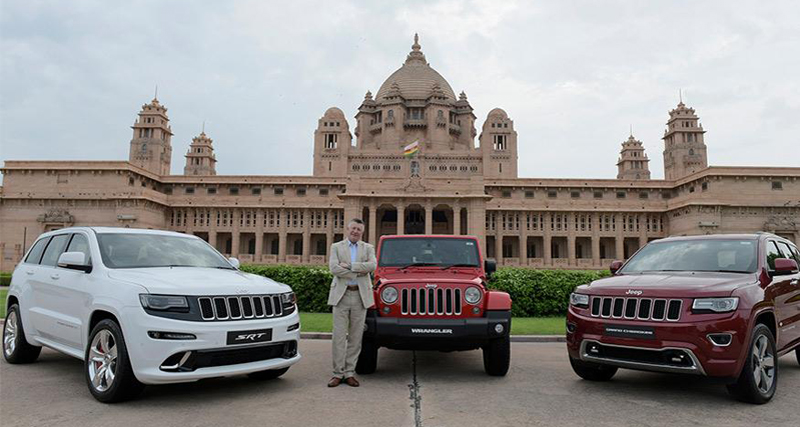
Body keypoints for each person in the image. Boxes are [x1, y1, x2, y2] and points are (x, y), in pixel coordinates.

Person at [327, 218, 376, 387]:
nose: (356, 232)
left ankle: (349, 373)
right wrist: (357, 272)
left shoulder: (368, 248)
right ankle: (337, 373)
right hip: (341, 295)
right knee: (338, 336)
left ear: (362, 232)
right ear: (347, 229)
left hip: (360, 296)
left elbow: (372, 266)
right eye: (353, 228)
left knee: (356, 337)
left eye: (359, 230)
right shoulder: (336, 247)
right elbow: (333, 268)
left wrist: (350, 266)